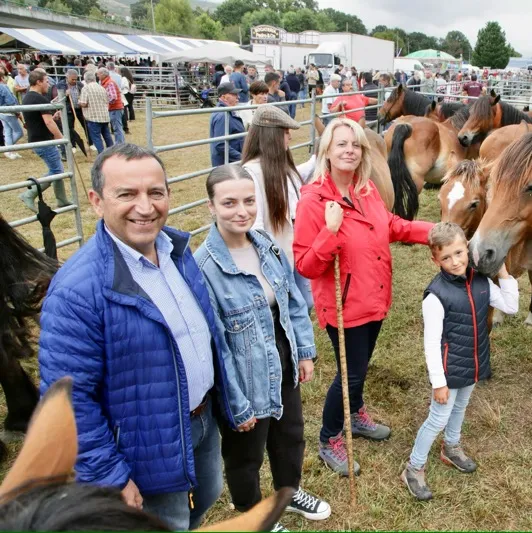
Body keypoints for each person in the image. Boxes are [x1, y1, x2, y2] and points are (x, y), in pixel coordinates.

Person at [38, 143, 237, 531]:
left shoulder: (178, 251)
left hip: (200, 422)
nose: (145, 207)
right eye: (126, 194)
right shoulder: (77, 292)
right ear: (97, 201)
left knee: (206, 497)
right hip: (141, 450)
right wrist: (110, 478)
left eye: (155, 192)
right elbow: (68, 402)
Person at [293, 118, 434, 476]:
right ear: (326, 150)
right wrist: (330, 231)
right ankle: (329, 438)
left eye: (355, 145)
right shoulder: (314, 201)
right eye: (341, 144)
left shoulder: (367, 191)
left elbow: (392, 227)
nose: (349, 151)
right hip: (344, 306)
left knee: (358, 369)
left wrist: (434, 231)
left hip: (375, 297)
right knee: (349, 374)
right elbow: (306, 265)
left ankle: (354, 414)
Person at [194, 164, 331, 529]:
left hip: (282, 358)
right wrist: (236, 404)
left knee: (290, 435)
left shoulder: (267, 245)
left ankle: (288, 492)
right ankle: (255, 515)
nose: (242, 211)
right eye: (229, 203)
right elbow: (217, 344)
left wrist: (303, 351)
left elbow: (292, 301)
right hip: (243, 374)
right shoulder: (204, 267)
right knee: (246, 453)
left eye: (249, 201)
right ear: (211, 206)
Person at [401, 222, 519, 500]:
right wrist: (438, 383)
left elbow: (511, 306)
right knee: (437, 417)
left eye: (458, 253)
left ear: (467, 246)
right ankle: (413, 467)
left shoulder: (480, 281)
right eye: (446, 257)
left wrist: (502, 271)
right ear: (435, 259)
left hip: (474, 361)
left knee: (461, 407)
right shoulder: (435, 296)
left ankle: (451, 448)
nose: (454, 262)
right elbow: (431, 344)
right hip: (449, 369)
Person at [241, 104, 316, 310]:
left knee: (305, 303)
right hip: (278, 259)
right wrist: (272, 261)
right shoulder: (252, 174)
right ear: (272, 136)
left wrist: (317, 159)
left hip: (294, 252)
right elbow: (254, 226)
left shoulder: (281, 168)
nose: (289, 137)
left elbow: (293, 178)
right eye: (285, 132)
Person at [19, 69, 71, 212]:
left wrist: (52, 118)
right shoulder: (39, 99)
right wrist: (61, 138)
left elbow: (38, 120)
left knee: (57, 169)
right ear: (39, 82)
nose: (48, 84)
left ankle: (62, 200)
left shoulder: (28, 97)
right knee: (56, 170)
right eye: (46, 81)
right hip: (43, 141)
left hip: (37, 138)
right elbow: (48, 123)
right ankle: (29, 193)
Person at [209, 82, 245, 167]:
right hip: (227, 164)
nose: (238, 97)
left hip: (230, 162)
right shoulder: (223, 115)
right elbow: (220, 144)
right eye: (234, 94)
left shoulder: (225, 112)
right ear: (224, 97)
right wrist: (241, 157)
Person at [79, 70, 113, 154]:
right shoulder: (101, 87)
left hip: (93, 117)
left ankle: (101, 154)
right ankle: (112, 152)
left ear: (85, 79)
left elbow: (83, 103)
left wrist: (78, 102)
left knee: (96, 137)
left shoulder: (86, 88)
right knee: (107, 136)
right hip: (104, 116)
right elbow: (107, 100)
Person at [0, 66, 24, 160]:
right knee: (19, 132)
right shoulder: (3, 87)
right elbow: (10, 101)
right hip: (8, 112)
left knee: (8, 132)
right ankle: (8, 149)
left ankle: (10, 151)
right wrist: (17, 112)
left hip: (2, 112)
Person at [97, 67, 125, 144]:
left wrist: (104, 103)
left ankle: (119, 144)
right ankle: (120, 143)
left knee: (117, 128)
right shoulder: (107, 82)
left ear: (103, 74)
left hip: (115, 108)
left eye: (98, 74)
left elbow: (113, 97)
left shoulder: (109, 83)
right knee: (117, 127)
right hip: (115, 108)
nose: (97, 75)